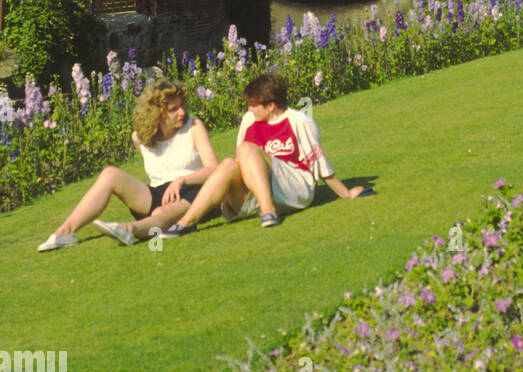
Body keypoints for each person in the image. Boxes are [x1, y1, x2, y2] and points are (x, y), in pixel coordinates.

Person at [165, 72, 362, 235]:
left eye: (253, 105)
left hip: (294, 189)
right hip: (256, 191)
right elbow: (240, 167)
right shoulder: (249, 120)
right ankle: (186, 222)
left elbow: (319, 163)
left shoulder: (299, 121)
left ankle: (269, 211)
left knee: (245, 149)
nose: (249, 109)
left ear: (271, 106)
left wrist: (346, 193)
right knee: (228, 164)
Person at [37, 78, 218, 250]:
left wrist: (182, 181)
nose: (182, 112)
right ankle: (64, 233)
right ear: (158, 113)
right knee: (110, 173)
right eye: (173, 109)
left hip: (194, 191)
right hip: (157, 194)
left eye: (181, 106)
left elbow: (213, 169)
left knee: (162, 213)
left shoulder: (193, 126)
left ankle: (128, 229)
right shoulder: (140, 138)